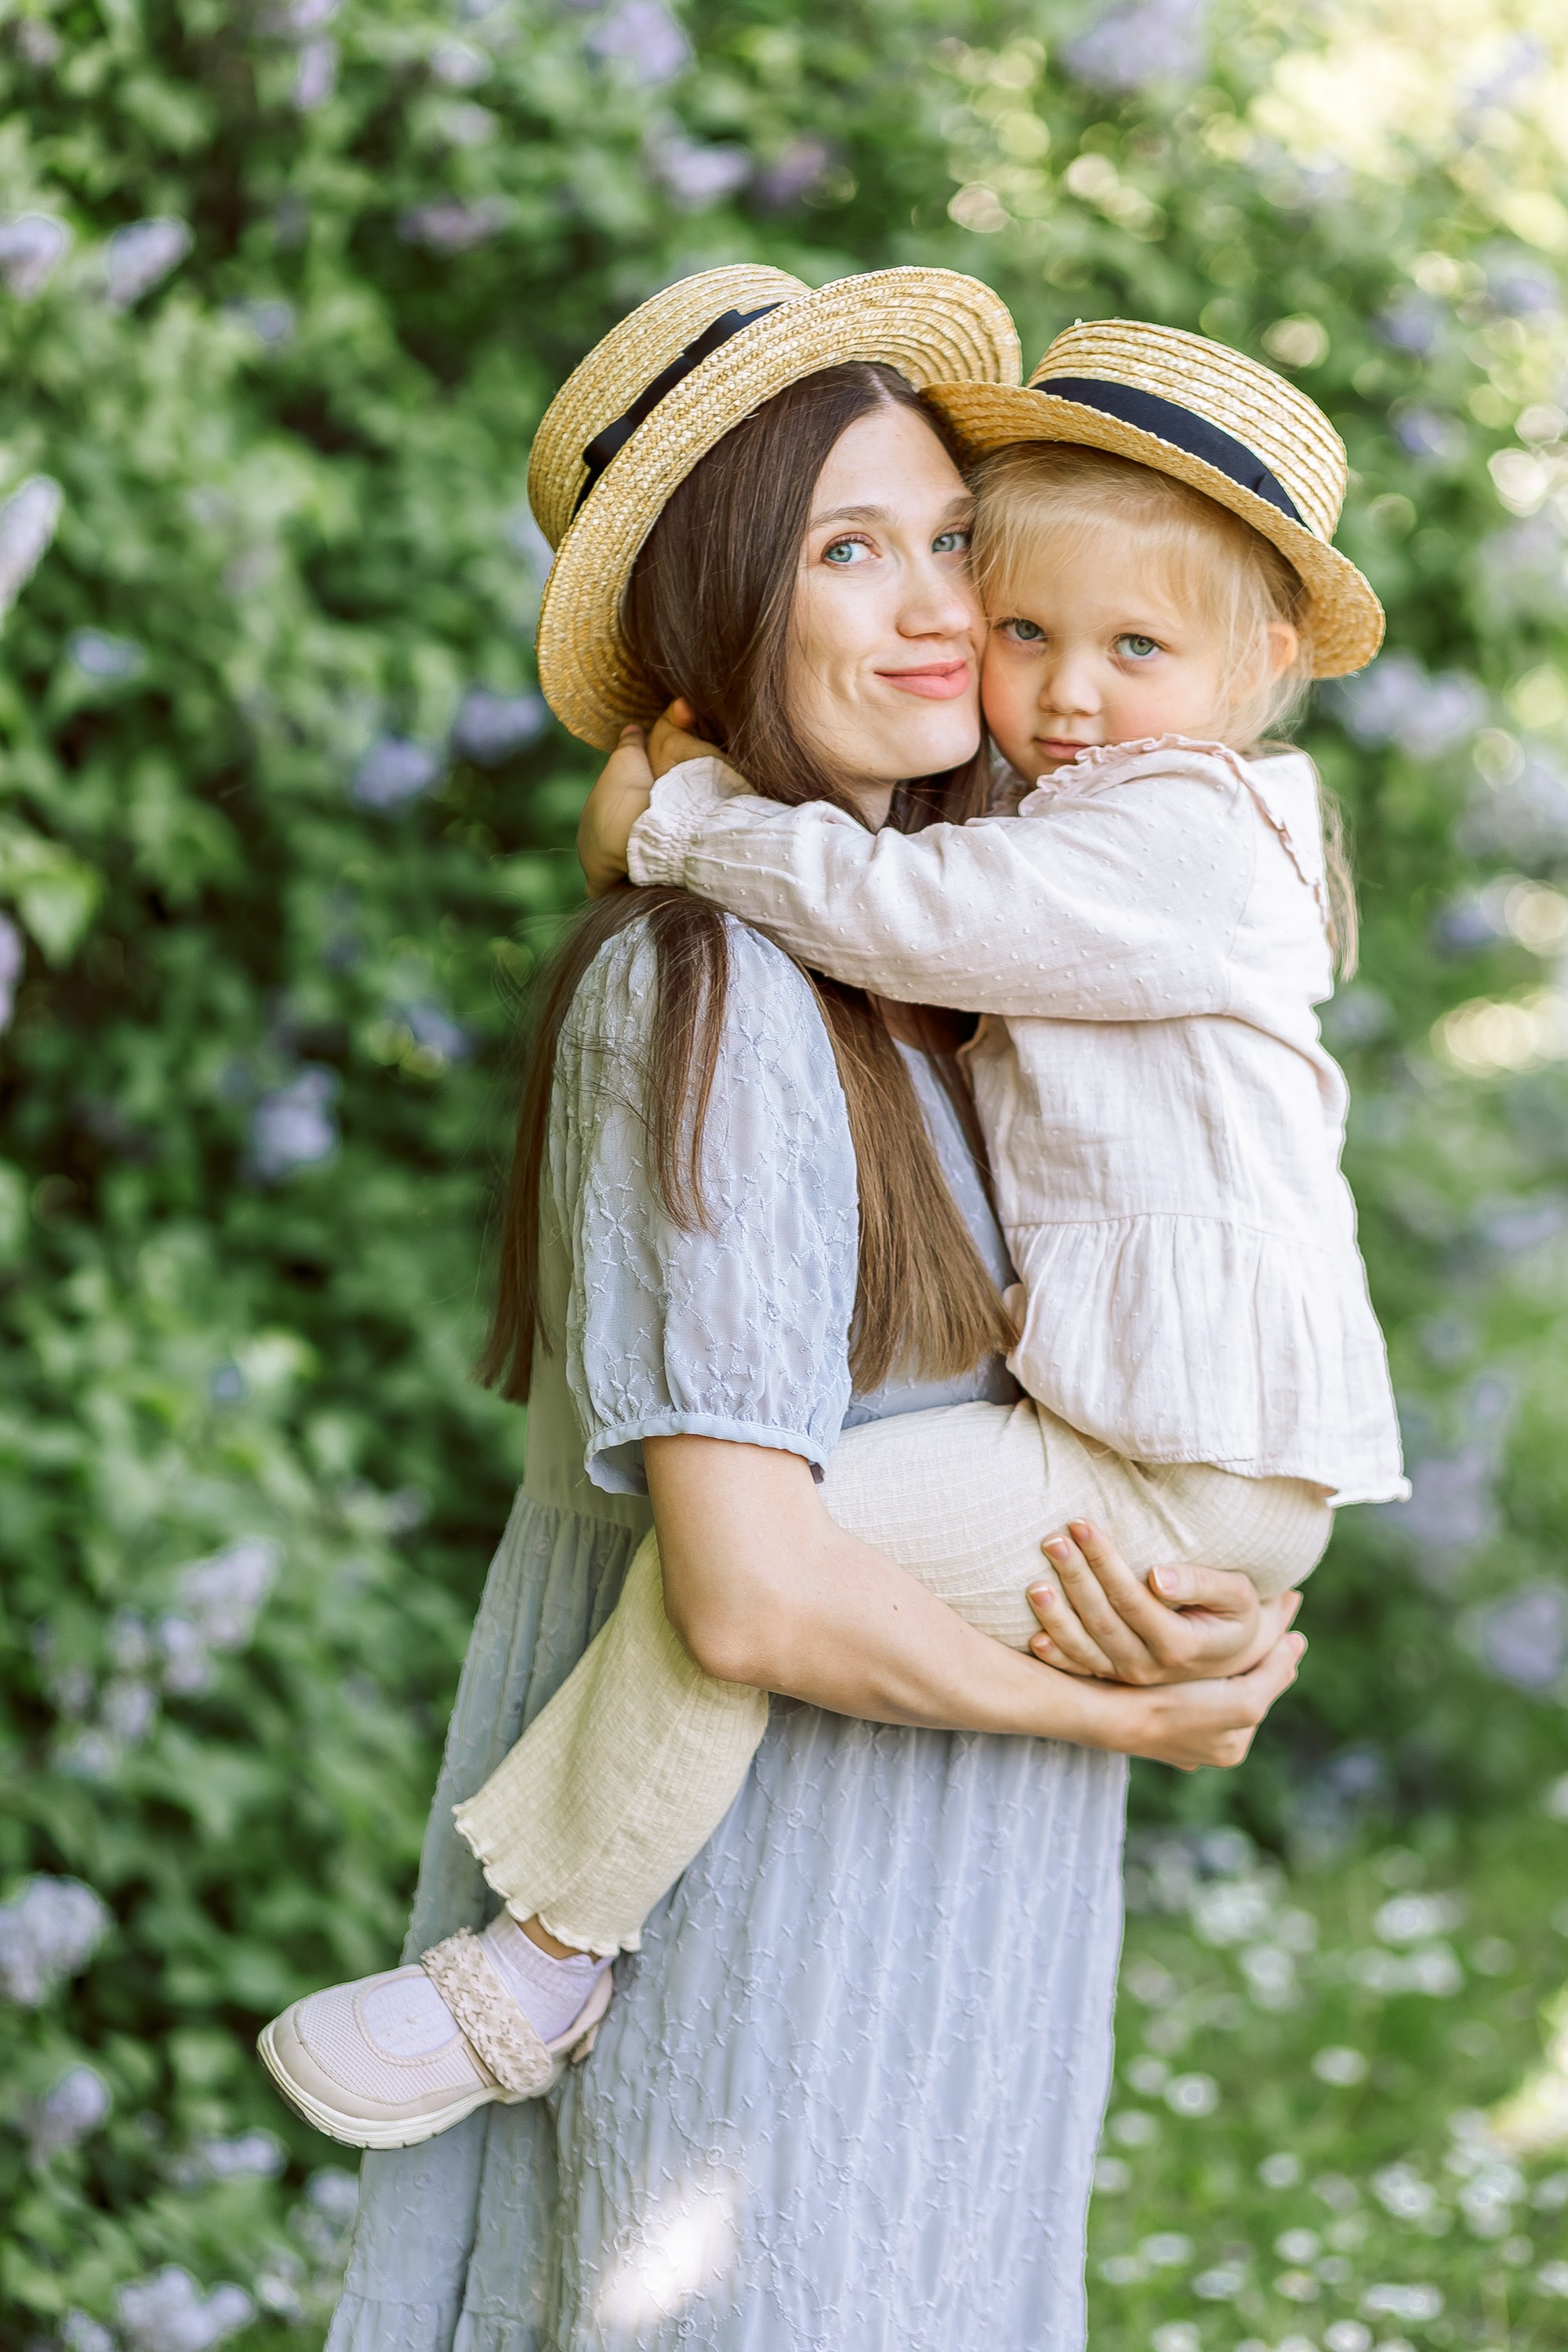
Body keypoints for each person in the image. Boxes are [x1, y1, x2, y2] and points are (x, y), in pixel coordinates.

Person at [282, 266, 1302, 2352]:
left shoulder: (954, 985)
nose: (949, 608)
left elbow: (1091, 1416)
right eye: (856, 552)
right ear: (724, 611)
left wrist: (1207, 1597)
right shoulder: (721, 986)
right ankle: (531, 1964)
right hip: (778, 1943)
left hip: (956, 1924)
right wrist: (1128, 1704)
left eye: (952, 540)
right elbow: (745, 1599)